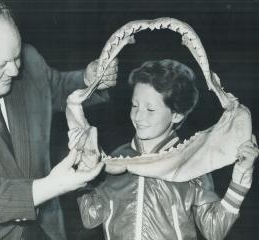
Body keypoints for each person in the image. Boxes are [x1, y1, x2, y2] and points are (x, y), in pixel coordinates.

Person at [0, 0, 118, 240]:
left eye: (16, 57)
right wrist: (55, 185)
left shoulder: (27, 60)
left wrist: (90, 80)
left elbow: (53, 87)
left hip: (41, 227)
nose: (14, 71)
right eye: (0, 65)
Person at [78, 59, 258, 240]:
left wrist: (241, 177)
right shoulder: (115, 160)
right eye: (135, 105)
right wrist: (84, 177)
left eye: (150, 109)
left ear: (177, 114)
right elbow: (90, 218)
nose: (138, 116)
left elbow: (214, 230)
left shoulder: (191, 164)